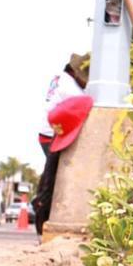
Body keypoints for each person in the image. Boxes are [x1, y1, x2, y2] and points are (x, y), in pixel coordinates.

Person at [32, 53, 91, 239]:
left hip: (47, 133)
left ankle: (41, 205)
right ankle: (42, 212)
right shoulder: (71, 89)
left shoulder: (60, 79)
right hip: (54, 135)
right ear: (76, 73)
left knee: (49, 178)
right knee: (53, 182)